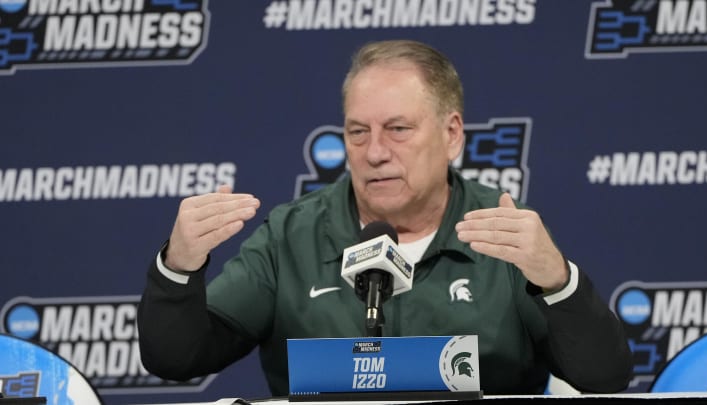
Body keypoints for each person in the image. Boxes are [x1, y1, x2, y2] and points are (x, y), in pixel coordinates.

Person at [137, 39, 632, 396]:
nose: (375, 152)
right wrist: (179, 266)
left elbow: (604, 377)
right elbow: (177, 359)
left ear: (452, 134)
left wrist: (557, 282)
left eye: (398, 129)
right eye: (357, 132)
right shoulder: (291, 235)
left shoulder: (502, 231)